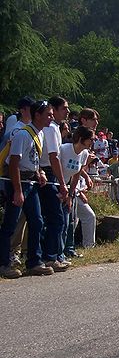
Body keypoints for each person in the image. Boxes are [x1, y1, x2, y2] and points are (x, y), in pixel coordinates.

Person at [0, 101, 55, 278]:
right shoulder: (23, 134)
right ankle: (3, 263)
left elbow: (33, 160)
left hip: (30, 183)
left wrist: (40, 173)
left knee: (37, 221)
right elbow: (14, 162)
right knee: (10, 224)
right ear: (37, 115)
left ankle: (34, 262)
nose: (51, 117)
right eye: (48, 114)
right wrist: (17, 190)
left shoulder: (40, 134)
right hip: (18, 182)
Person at [38, 96, 70, 272]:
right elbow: (53, 157)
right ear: (55, 109)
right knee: (55, 217)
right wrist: (62, 182)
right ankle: (50, 257)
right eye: (64, 108)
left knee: (53, 217)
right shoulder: (50, 129)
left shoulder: (56, 128)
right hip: (47, 173)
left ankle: (54, 254)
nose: (67, 111)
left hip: (51, 173)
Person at [59, 126, 94, 259]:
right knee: (60, 221)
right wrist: (62, 188)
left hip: (69, 188)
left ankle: (69, 249)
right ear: (81, 139)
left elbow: (76, 175)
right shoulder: (64, 149)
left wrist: (71, 194)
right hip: (57, 185)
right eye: (90, 139)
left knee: (70, 220)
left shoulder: (84, 154)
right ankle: (58, 252)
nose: (92, 142)